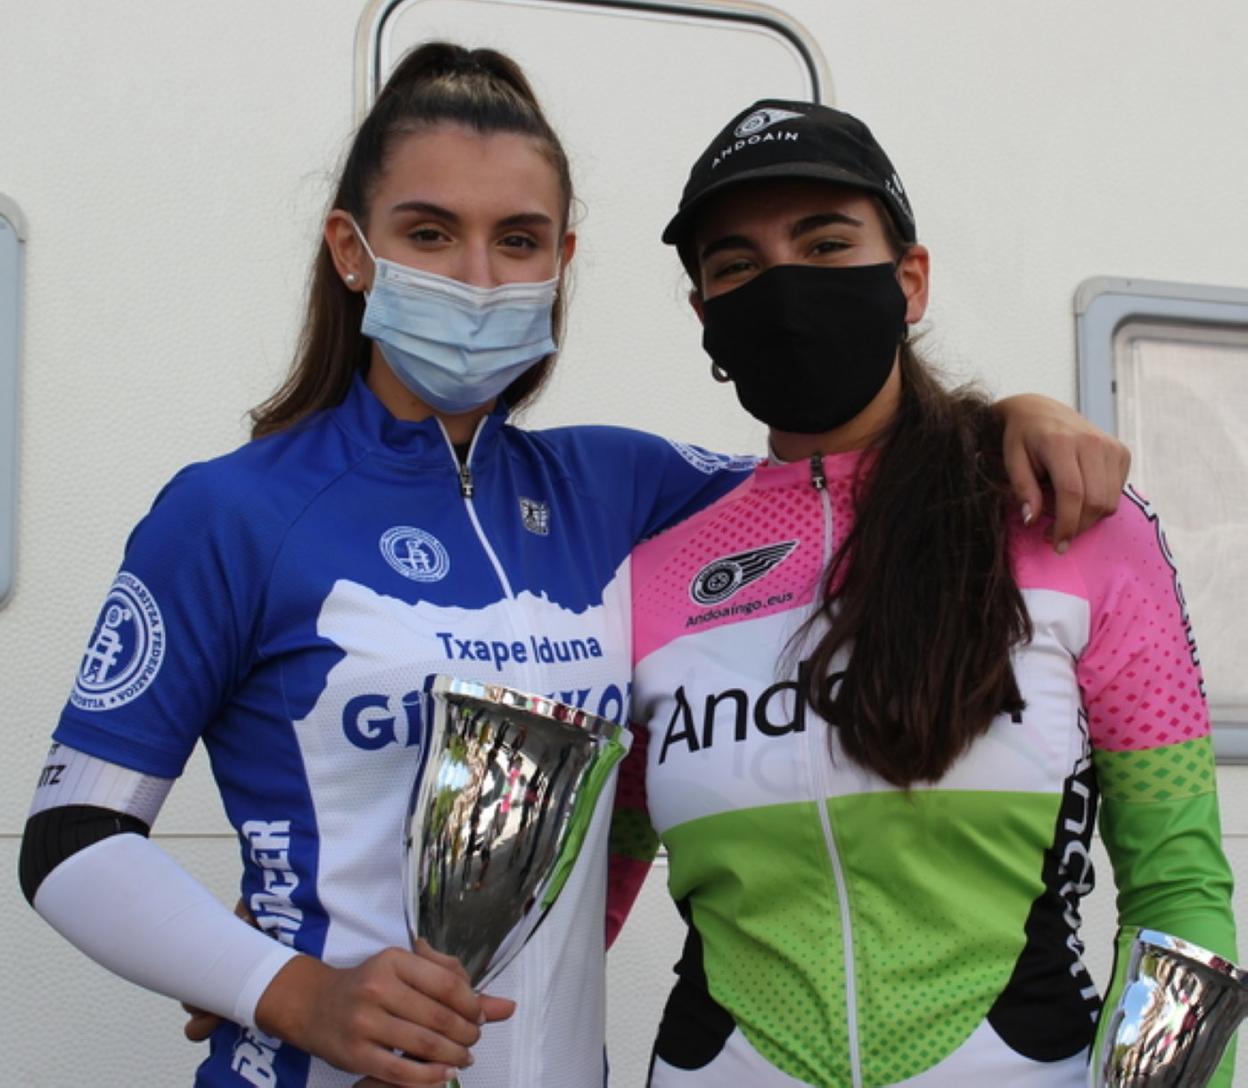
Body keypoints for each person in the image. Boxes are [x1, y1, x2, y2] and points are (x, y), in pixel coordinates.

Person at [19, 43, 1128, 1088]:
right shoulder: (232, 510)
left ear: (561, 262)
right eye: (430, 233)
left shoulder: (622, 486)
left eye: (518, 240)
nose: (477, 275)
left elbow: (840, 472)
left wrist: (1009, 417)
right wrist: (284, 988)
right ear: (353, 251)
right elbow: (72, 839)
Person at [608, 100, 1238, 1088]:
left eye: (826, 243)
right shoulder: (655, 571)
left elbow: (1180, 888)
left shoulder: (1071, 524)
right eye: (737, 264)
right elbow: (589, 895)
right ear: (704, 315)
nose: (784, 285)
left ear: (909, 279)